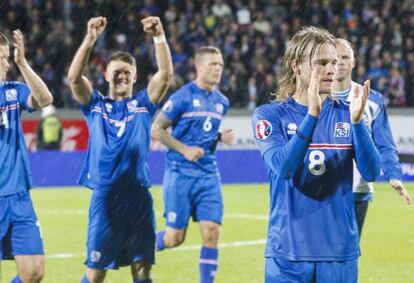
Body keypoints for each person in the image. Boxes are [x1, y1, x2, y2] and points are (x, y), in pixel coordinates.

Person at [252, 27, 381, 282]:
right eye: (321, 63)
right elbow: (284, 168)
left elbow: (372, 172)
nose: (331, 69)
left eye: (333, 62)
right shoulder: (269, 116)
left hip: (339, 253)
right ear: (296, 67)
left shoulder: (349, 113)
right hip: (287, 254)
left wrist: (358, 124)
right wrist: (312, 116)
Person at [67, 16, 172, 283]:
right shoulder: (94, 105)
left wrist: (159, 36)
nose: (122, 74)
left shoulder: (142, 105)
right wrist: (90, 40)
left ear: (135, 76)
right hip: (105, 198)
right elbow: (74, 77)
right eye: (116, 70)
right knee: (95, 273)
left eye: (127, 71)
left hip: (138, 197)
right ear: (106, 74)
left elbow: (165, 75)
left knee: (143, 270)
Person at [151, 46, 234, 283]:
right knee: (175, 238)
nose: (218, 68)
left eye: (220, 64)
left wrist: (218, 137)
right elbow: (156, 130)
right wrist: (184, 149)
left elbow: (203, 131)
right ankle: (140, 245)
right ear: (199, 67)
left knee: (212, 232)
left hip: (208, 175)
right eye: (213, 64)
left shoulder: (222, 101)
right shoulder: (182, 97)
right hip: (180, 174)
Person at [333, 38, 411, 236]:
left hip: (359, 192)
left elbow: (384, 144)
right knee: (322, 256)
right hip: (325, 190)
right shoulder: (315, 97)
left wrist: (393, 175)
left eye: (345, 57)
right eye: (335, 58)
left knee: (349, 255)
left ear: (354, 62)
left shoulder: (372, 99)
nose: (340, 62)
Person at [0, 30, 53, 282]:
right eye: (2, 58)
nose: (6, 63)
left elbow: (45, 98)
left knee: (33, 272)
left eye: (7, 57)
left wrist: (23, 63)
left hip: (19, 196)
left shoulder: (13, 91)